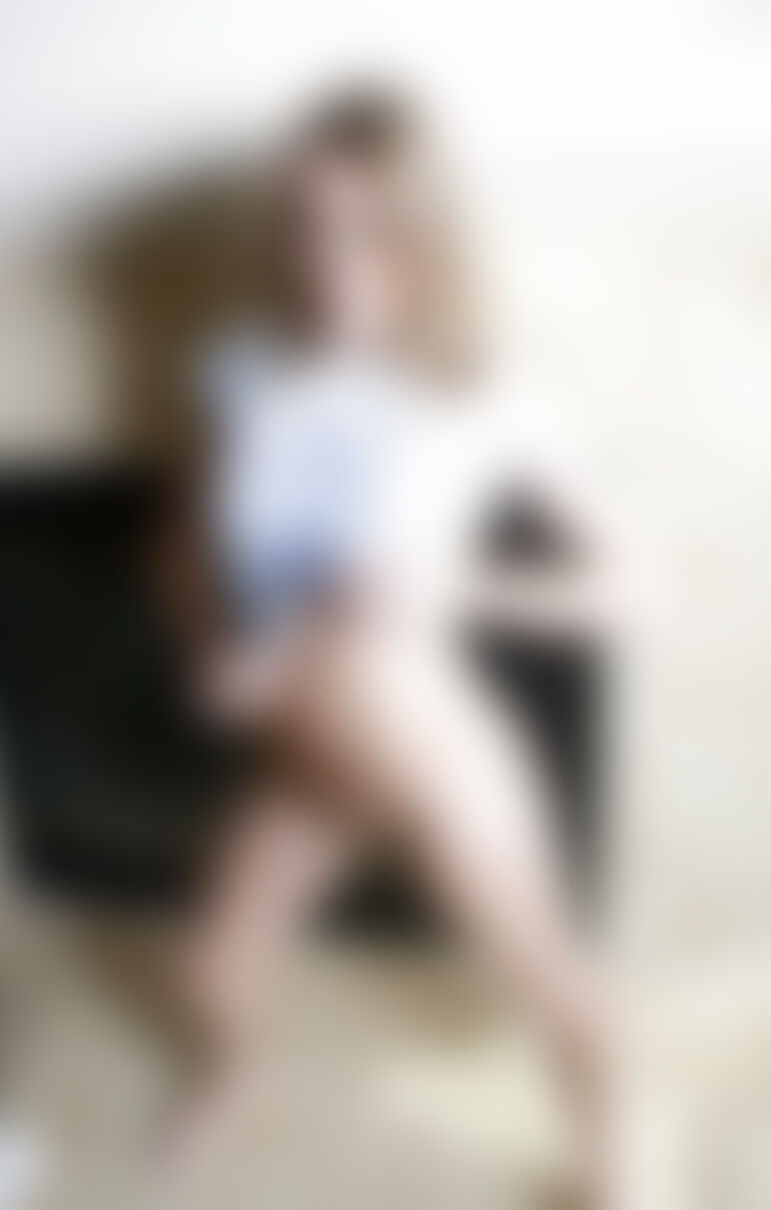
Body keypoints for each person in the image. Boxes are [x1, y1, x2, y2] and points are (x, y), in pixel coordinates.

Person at [160, 88, 617, 1199]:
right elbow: (177, 541)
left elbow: (621, 592)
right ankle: (231, 1074)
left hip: (435, 766)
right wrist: (212, 644)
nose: (333, 264)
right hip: (306, 762)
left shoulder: (482, 391)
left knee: (557, 996)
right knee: (206, 967)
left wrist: (456, 585)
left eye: (373, 231)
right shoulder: (247, 377)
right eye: (309, 228)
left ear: (429, 239)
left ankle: (603, 1164)